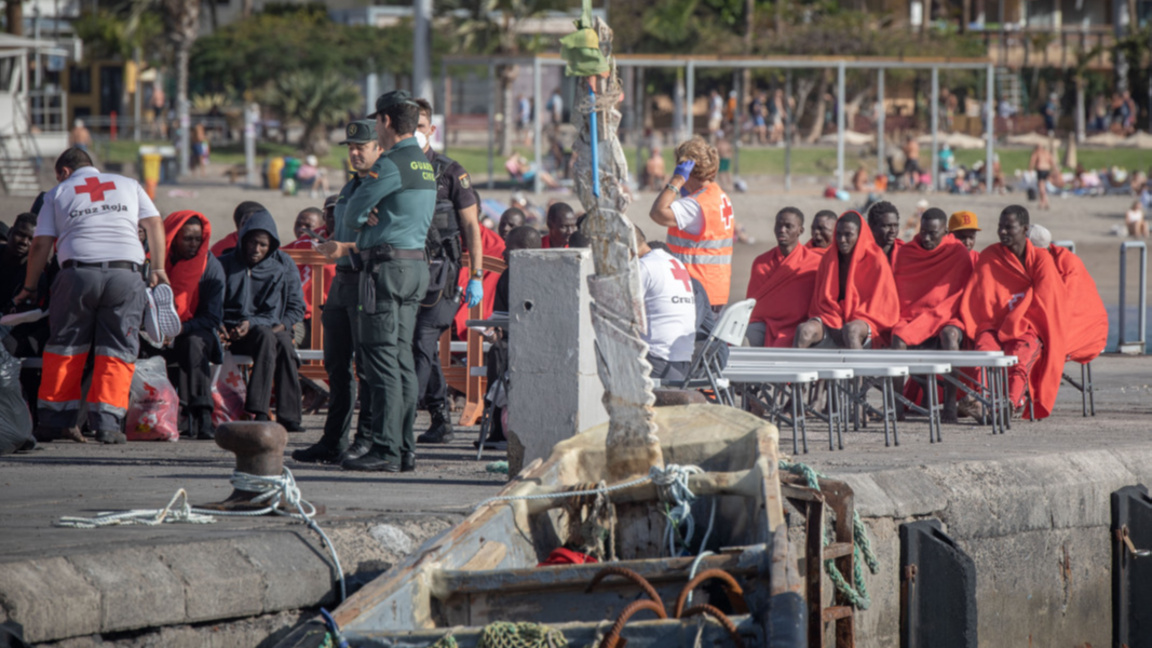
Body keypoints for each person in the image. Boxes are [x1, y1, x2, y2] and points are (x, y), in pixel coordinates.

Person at [317, 90, 436, 473]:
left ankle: (385, 448)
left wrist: (365, 214)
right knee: (401, 360)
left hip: (386, 271)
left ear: (384, 122)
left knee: (382, 360)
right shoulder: (422, 163)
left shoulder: (391, 165)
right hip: (414, 267)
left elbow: (349, 214)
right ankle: (403, 448)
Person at [17, 148, 168, 444]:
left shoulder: (59, 192)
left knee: (65, 346)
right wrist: (159, 267)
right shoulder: (129, 185)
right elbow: (154, 223)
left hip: (77, 276)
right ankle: (108, 424)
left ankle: (54, 420)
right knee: (118, 348)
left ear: (63, 172)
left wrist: (30, 286)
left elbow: (40, 244)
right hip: (126, 276)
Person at [293, 120, 382, 465]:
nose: (355, 153)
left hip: (366, 279)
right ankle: (333, 440)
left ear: (379, 148)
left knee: (368, 367)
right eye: (351, 147)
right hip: (341, 283)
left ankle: (365, 439)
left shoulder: (382, 186)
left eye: (362, 147)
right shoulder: (349, 188)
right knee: (336, 365)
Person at [411, 97, 485, 445]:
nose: (415, 133)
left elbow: (472, 227)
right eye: (409, 126)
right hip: (408, 273)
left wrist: (476, 275)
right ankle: (441, 419)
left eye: (420, 127)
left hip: (446, 275)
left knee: (422, 338)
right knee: (417, 343)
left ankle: (402, 416)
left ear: (432, 130)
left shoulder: (452, 172)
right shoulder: (394, 169)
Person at [959, 205, 1067, 419]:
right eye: (1000, 227)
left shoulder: (1040, 259)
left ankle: (1011, 401)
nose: (1003, 232)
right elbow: (981, 298)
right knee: (985, 352)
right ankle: (982, 402)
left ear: (1025, 229)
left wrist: (1016, 319)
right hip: (992, 324)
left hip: (1027, 324)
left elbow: (1045, 301)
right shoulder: (990, 255)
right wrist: (995, 324)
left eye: (1009, 227)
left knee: (1021, 353)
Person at [219, 209, 305, 431]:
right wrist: (224, 327)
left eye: (263, 245)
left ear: (272, 245)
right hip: (232, 329)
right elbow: (213, 302)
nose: (256, 250)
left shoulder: (281, 265)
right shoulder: (226, 263)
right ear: (243, 240)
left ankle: (288, 416)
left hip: (273, 325)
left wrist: (279, 326)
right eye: (251, 243)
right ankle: (259, 410)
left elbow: (296, 307)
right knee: (270, 338)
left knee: (282, 342)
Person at [890, 208, 976, 421]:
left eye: (933, 233)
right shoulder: (907, 253)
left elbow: (959, 295)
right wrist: (921, 319)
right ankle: (897, 407)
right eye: (924, 231)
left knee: (950, 336)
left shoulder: (957, 252)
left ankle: (948, 406)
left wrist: (936, 316)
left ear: (945, 231)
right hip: (913, 317)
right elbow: (902, 295)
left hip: (947, 316)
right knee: (898, 337)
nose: (927, 237)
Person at [156, 211, 224, 440]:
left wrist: (180, 329)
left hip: (193, 329)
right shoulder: (156, 264)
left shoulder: (210, 267)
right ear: (174, 237)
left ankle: (202, 415)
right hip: (154, 331)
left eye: (198, 239)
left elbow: (212, 317)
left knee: (194, 345)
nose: (194, 244)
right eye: (187, 239)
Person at [648, 136, 735, 312]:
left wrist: (677, 181)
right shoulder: (718, 196)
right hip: (715, 288)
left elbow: (657, 213)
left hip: (696, 291)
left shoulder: (694, 205)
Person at [794, 211, 898, 349]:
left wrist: (849, 321)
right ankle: (795, 370)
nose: (842, 239)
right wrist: (835, 322)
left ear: (859, 235)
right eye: (839, 234)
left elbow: (882, 306)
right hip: (831, 319)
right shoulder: (828, 259)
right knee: (804, 331)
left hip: (866, 320)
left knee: (851, 331)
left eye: (848, 235)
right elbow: (820, 302)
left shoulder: (876, 259)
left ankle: (860, 371)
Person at [1029, 226, 1108, 366]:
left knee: (1030, 344)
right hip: (1066, 324)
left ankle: (1029, 384)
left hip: (1086, 330)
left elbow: (1063, 307)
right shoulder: (1052, 258)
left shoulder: (1066, 264)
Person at [745, 207, 821, 348]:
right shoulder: (761, 262)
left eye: (788, 226)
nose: (782, 230)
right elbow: (752, 307)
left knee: (805, 333)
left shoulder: (815, 263)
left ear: (801, 230)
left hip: (799, 325)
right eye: (779, 225)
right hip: (765, 324)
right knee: (745, 337)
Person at [635, 227, 697, 382]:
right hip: (683, 361)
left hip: (657, 360)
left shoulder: (643, 266)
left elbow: (622, 311)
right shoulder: (675, 262)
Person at [282, 207, 336, 351]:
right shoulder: (302, 244)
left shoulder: (351, 243)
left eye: (307, 226)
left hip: (330, 317)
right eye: (298, 224)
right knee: (281, 340)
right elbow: (274, 253)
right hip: (300, 315)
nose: (301, 229)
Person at [866, 200, 902, 264]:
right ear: (872, 226)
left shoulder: (904, 254)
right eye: (887, 226)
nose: (893, 231)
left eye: (896, 226)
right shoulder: (862, 254)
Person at [1028, 144, 1054, 211]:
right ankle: (1042, 202)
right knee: (1043, 186)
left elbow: (1032, 161)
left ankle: (1045, 202)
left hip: (1041, 170)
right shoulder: (1047, 152)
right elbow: (1052, 162)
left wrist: (1030, 170)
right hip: (1047, 169)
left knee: (1041, 187)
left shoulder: (1037, 152)